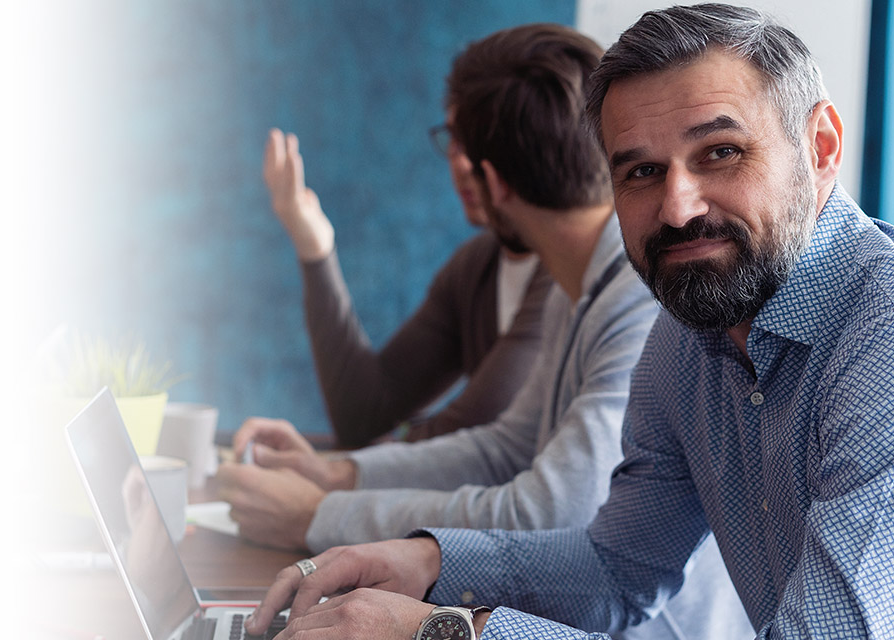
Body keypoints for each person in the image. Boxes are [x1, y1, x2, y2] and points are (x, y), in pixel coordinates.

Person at [243, 5, 894, 639]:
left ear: (821, 147)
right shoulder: (690, 334)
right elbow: (618, 572)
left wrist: (446, 631)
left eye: (721, 153)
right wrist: (423, 563)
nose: (678, 206)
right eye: (639, 172)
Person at [218, 23, 751, 640]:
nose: (677, 202)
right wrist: (341, 478)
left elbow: (552, 508)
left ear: (491, 180)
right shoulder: (573, 281)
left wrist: (321, 515)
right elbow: (502, 447)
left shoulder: (648, 297)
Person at [259, 66, 555, 451]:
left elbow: (475, 434)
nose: (462, 163)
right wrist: (316, 249)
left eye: (480, 139)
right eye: (454, 139)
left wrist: (341, 470)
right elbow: (362, 415)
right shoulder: (474, 267)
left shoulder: (565, 274)